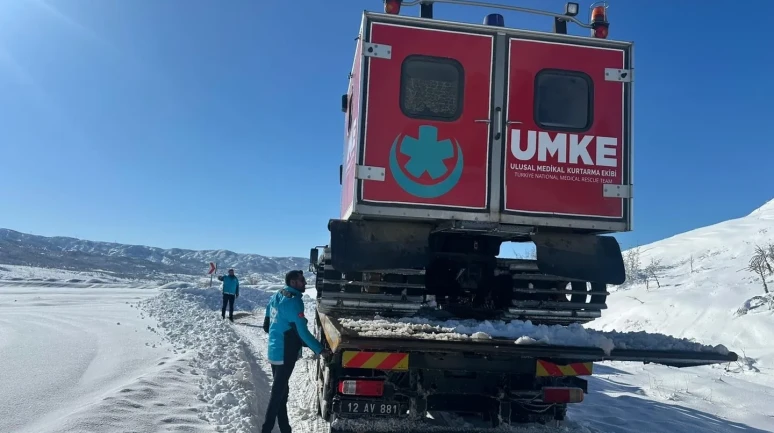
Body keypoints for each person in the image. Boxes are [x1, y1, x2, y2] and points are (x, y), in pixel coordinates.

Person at [261, 270, 330, 433]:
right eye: (302, 281)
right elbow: (303, 332)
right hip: (286, 353)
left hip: (274, 351)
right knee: (278, 393)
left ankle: (285, 428)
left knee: (282, 392)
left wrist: (280, 331)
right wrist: (320, 350)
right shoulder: (294, 303)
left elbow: (266, 325)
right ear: (293, 282)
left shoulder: (276, 295)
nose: (305, 283)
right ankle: (266, 429)